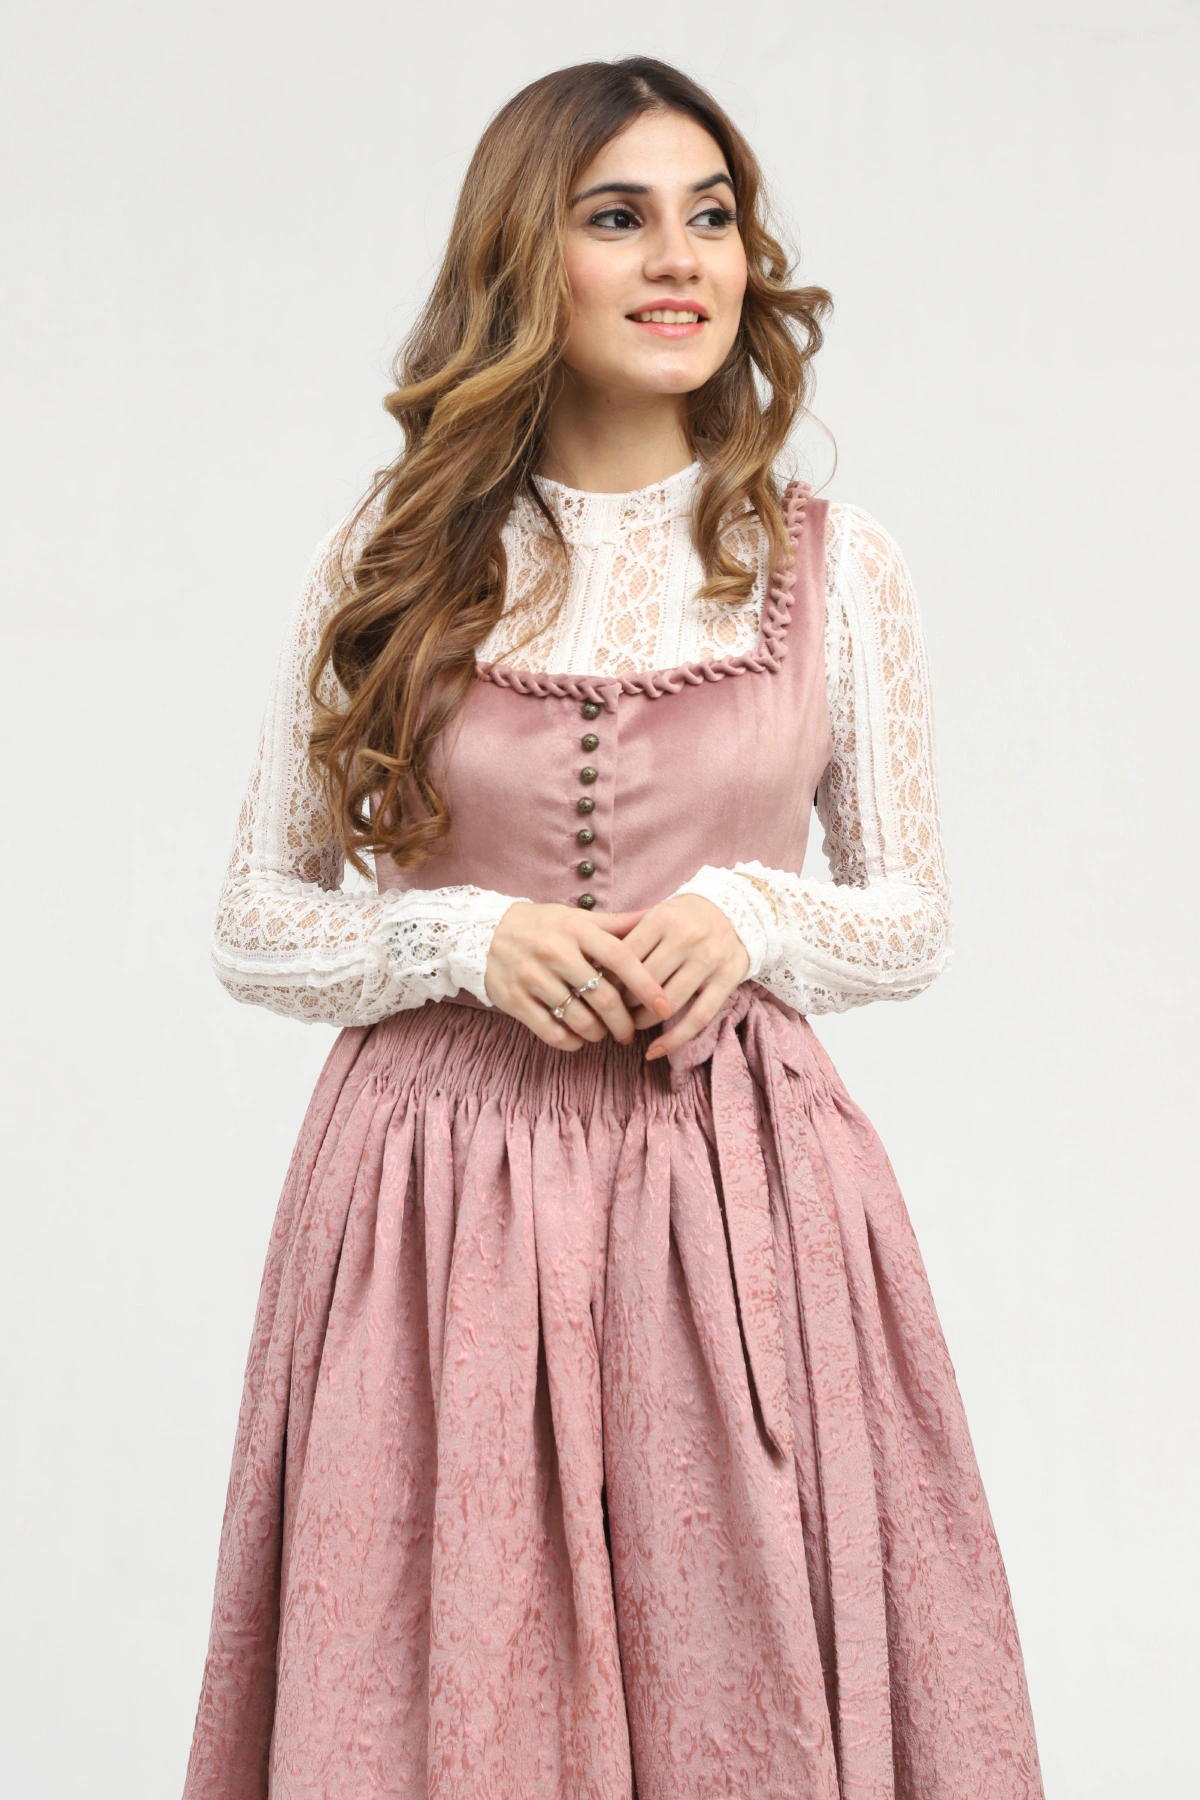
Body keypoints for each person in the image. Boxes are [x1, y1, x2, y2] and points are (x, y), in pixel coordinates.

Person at [183, 57, 1044, 1800]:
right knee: (441, 1690)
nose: (682, 259)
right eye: (620, 216)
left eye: (712, 217)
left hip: (734, 1197)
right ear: (529, 257)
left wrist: (749, 908)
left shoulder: (830, 563)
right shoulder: (391, 557)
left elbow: (914, 918)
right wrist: (459, 941)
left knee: (748, 1683)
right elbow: (257, 921)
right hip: (437, 1206)